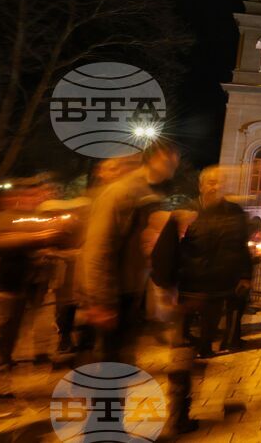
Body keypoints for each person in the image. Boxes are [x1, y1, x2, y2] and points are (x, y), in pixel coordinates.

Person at [165, 166, 252, 436]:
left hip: (223, 291)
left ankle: (229, 398)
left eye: (222, 182)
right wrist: (168, 287)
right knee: (183, 354)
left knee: (224, 347)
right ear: (202, 186)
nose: (217, 186)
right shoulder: (185, 213)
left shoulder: (235, 214)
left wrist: (246, 275)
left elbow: (241, 247)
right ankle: (179, 413)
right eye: (212, 182)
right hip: (190, 294)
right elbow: (166, 252)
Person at [82, 140, 180, 364]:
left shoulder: (148, 194)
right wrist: (100, 300)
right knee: (110, 359)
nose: (173, 167)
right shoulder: (121, 192)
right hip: (114, 291)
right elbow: (99, 247)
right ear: (155, 158)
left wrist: (162, 285)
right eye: (169, 160)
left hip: (132, 288)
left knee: (122, 357)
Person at [0, 176, 70, 405]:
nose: (35, 199)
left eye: (38, 195)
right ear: (13, 198)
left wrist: (46, 246)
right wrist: (37, 238)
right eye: (29, 195)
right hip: (0, 288)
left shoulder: (30, 219)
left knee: (6, 341)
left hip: (20, 288)